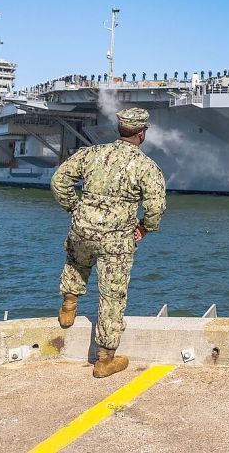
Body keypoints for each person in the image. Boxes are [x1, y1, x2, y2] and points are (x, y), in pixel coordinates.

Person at [51, 107, 167, 378]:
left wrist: (75, 208)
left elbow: (59, 181)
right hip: (117, 238)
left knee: (77, 260)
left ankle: (69, 304)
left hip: (83, 227)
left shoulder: (91, 153)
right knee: (112, 295)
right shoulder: (146, 166)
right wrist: (145, 228)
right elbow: (156, 207)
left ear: (121, 129)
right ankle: (105, 360)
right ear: (142, 133)